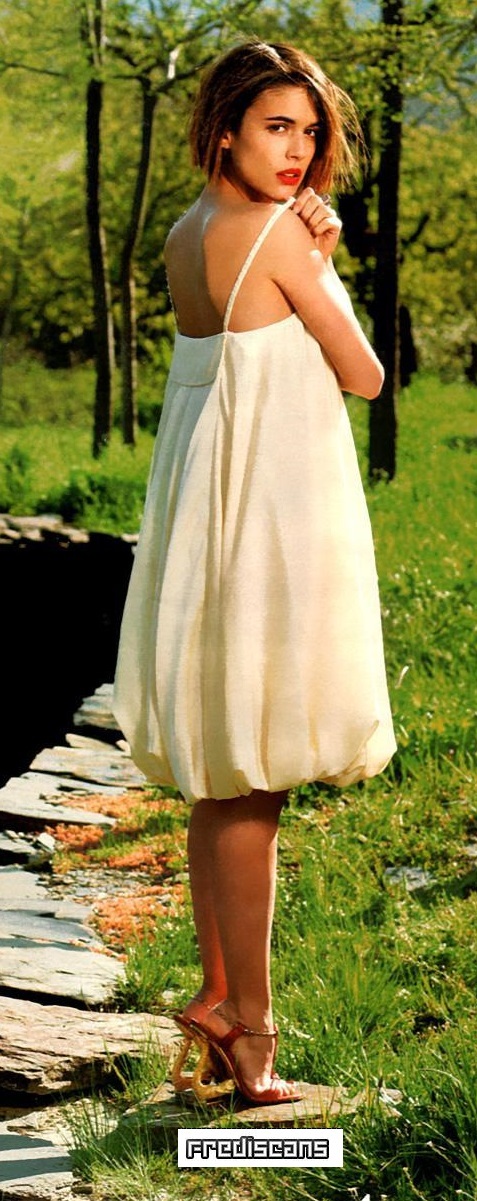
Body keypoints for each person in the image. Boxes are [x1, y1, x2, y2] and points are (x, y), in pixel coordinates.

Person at [113, 39, 396, 1106]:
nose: (299, 151)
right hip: (271, 522)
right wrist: (324, 253)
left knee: (223, 776)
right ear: (225, 127)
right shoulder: (278, 235)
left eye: (311, 132)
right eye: (278, 127)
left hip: (212, 514)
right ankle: (252, 1026)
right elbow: (363, 373)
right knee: (254, 784)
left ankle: (219, 992)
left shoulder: (187, 232)